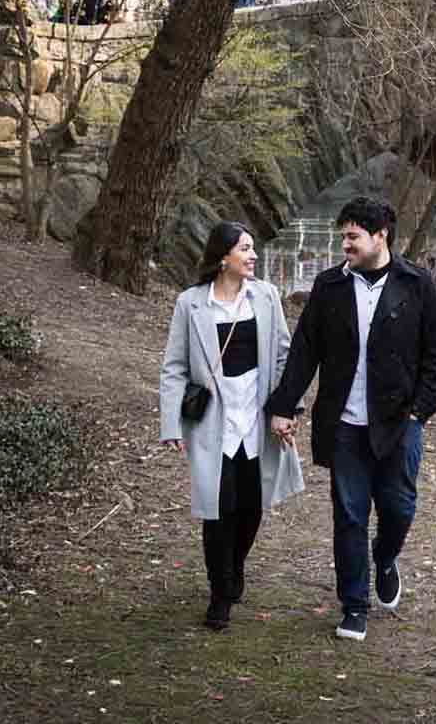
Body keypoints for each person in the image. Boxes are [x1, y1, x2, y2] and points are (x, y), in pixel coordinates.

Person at [266, 196, 436, 644]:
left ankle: (385, 560)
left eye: (352, 236)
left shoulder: (416, 284)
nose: (344, 243)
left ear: (380, 235)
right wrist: (283, 404)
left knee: (399, 508)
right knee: (349, 515)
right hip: (345, 425)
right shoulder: (330, 287)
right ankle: (354, 605)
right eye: (342, 235)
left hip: (399, 424)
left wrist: (419, 411)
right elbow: (306, 350)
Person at [160, 221, 304, 631]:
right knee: (217, 509)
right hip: (213, 422)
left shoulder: (266, 296)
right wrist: (171, 423)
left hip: (257, 418)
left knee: (251, 506)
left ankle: (235, 566)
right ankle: (220, 592)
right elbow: (174, 366)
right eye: (245, 248)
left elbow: (283, 357)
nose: (253, 255)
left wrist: (287, 407)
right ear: (224, 256)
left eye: (252, 248)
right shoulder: (191, 304)